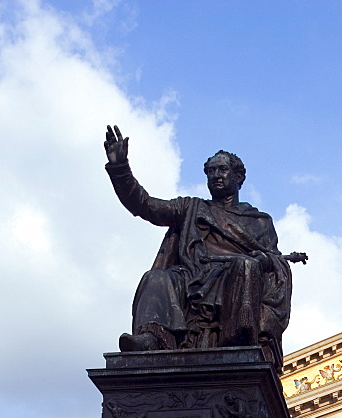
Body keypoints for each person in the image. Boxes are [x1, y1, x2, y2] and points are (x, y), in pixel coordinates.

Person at [104, 126, 307, 366]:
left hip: (235, 278)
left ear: (238, 177)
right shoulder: (190, 207)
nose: (216, 175)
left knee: (246, 267)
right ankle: (151, 339)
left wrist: (263, 261)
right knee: (156, 277)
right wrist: (120, 169)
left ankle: (240, 342)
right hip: (192, 276)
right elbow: (145, 205)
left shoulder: (260, 221)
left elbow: (275, 262)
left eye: (222, 170)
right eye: (211, 171)